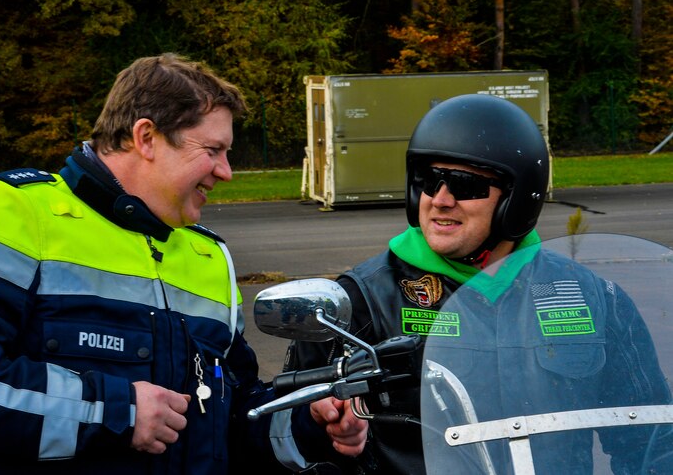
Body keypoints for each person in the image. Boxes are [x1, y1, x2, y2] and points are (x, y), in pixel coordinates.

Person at [0, 53, 366, 475]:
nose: (226, 171)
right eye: (213, 150)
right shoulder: (13, 211)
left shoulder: (209, 254)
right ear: (146, 137)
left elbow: (230, 413)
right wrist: (113, 411)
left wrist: (308, 420)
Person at [283, 93, 672, 474]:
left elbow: (648, 439)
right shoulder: (359, 300)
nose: (439, 198)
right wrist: (327, 429)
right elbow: (286, 437)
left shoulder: (594, 298)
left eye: (464, 184)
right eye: (428, 179)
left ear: (516, 199)